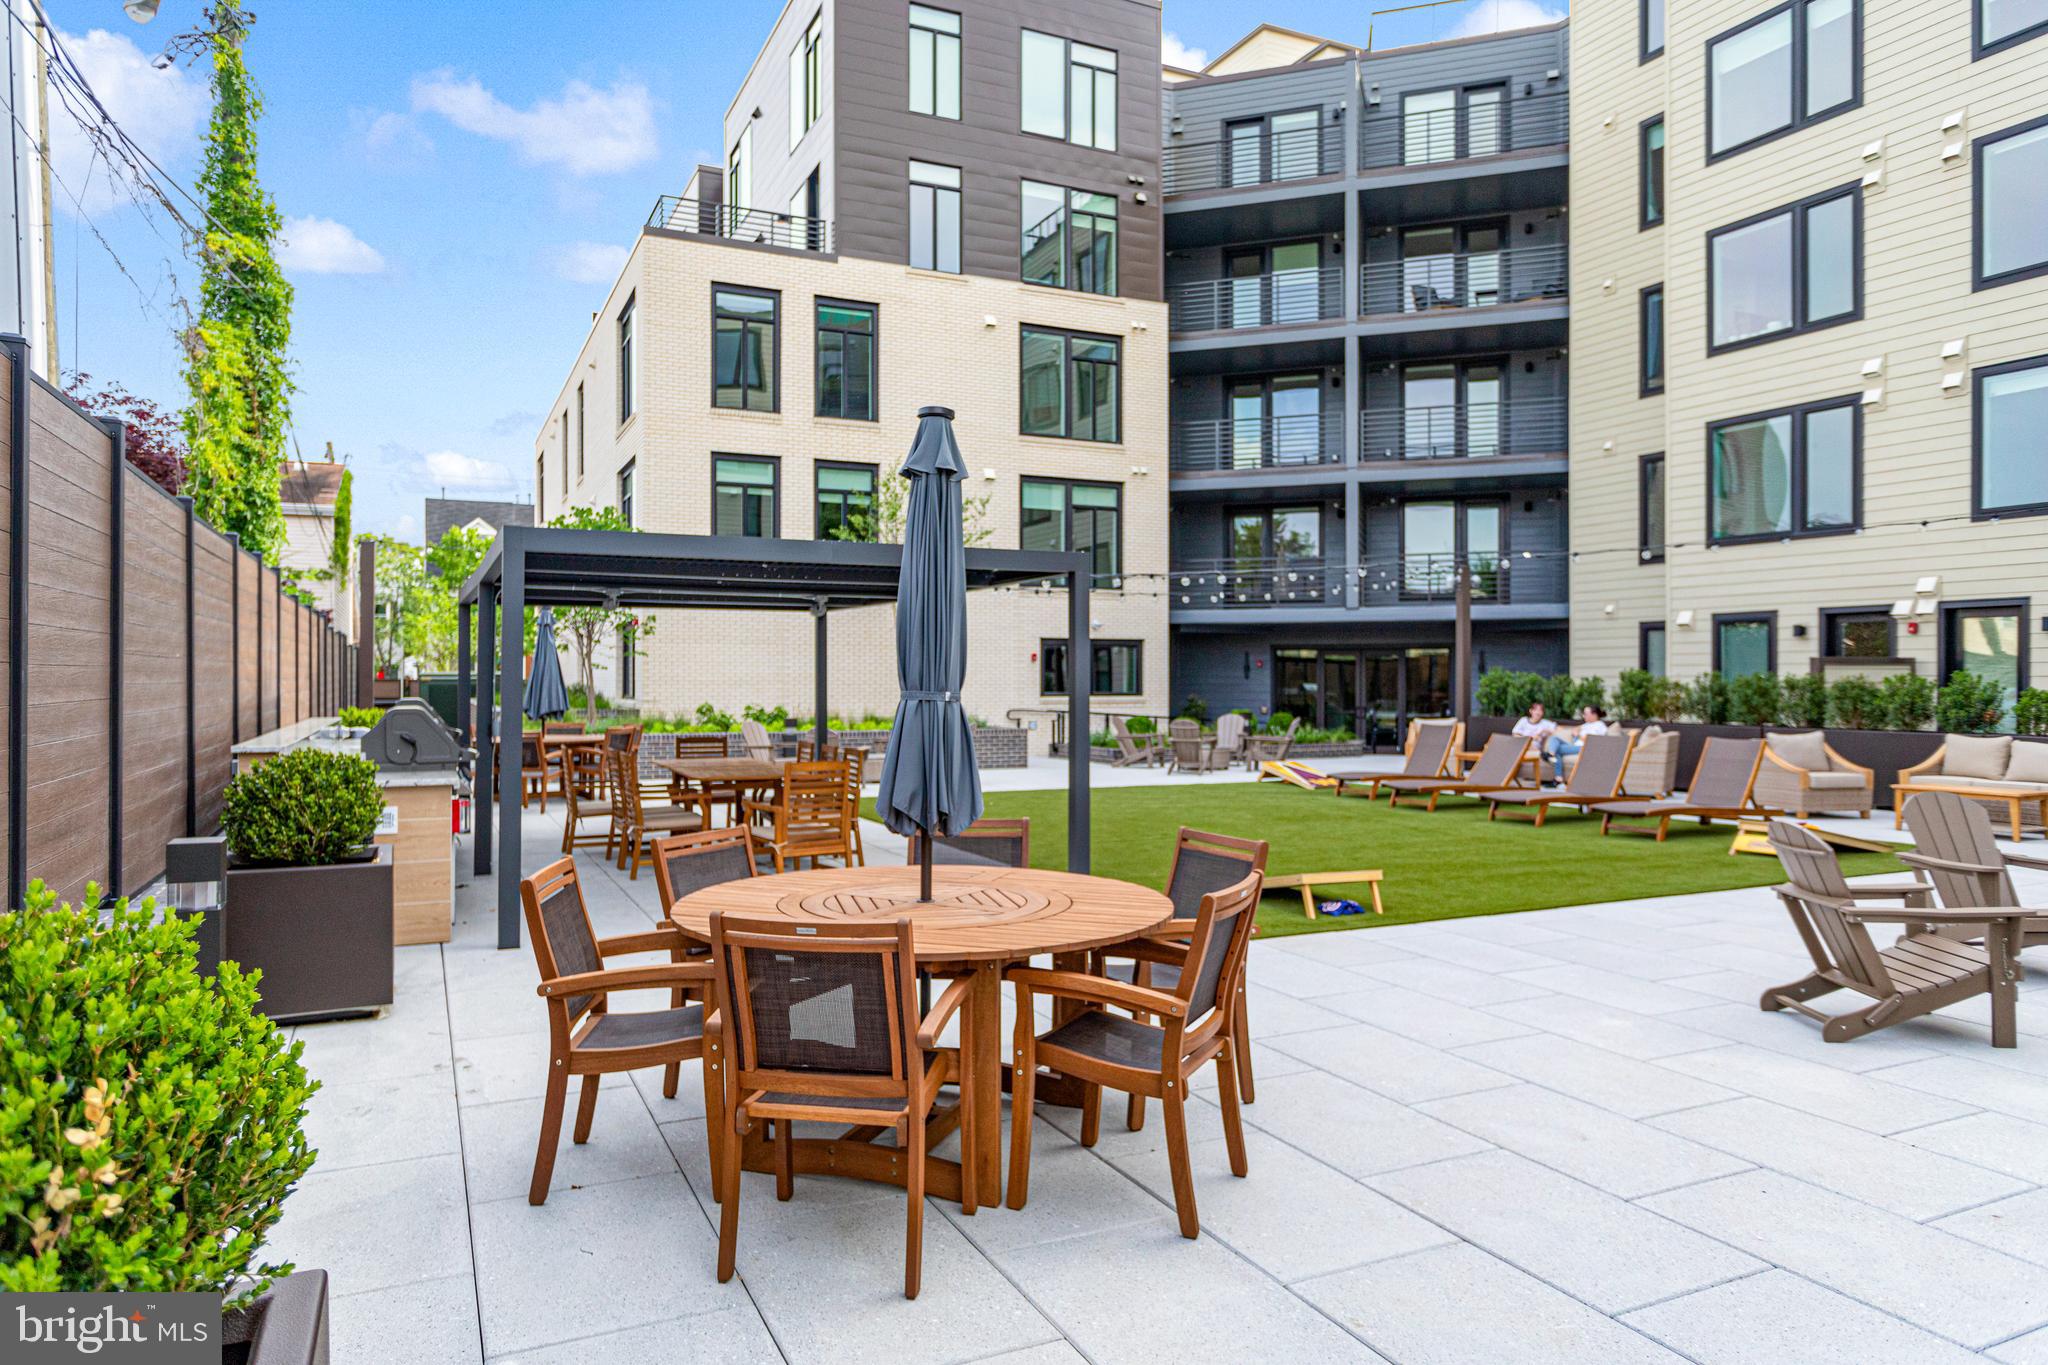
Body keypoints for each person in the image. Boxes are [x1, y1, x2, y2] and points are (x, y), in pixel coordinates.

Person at [1544, 705, 1609, 785]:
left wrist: (1578, 735)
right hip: (1576, 745)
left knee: (1557, 749)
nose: (1583, 716)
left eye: (1585, 714)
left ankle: (1557, 772)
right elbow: (1575, 730)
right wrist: (1576, 732)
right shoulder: (1586, 725)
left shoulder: (1600, 725)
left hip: (1585, 748)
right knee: (1554, 739)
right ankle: (1551, 755)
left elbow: (1594, 741)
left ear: (1594, 715)